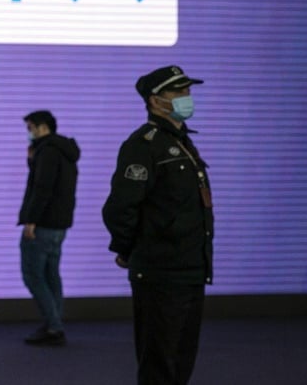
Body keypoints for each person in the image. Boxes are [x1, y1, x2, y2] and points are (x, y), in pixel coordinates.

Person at [102, 65, 212, 385]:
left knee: (181, 361)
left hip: (191, 269)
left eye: (187, 90)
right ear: (155, 100)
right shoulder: (143, 144)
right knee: (159, 365)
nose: (186, 97)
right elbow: (120, 207)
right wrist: (128, 249)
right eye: (177, 91)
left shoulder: (183, 142)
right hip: (160, 272)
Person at [17, 110, 80, 346]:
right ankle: (54, 322)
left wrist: (31, 221)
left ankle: (53, 326)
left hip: (42, 223)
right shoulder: (65, 151)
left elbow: (42, 188)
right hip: (59, 224)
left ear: (42, 127)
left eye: (30, 128)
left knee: (33, 274)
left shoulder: (47, 151)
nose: (29, 133)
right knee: (51, 274)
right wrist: (31, 162)